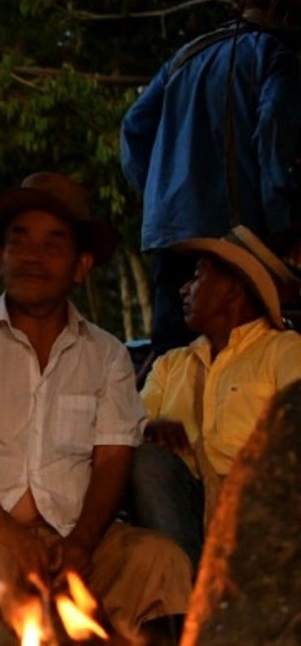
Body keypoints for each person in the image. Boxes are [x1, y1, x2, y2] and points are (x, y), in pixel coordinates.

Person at [0, 172, 191, 643]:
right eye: (20, 241)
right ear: (1, 256)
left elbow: (113, 457)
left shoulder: (106, 354)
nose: (32, 257)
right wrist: (9, 535)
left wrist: (82, 541)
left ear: (81, 266)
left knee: (162, 563)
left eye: (53, 243)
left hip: (79, 545)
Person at [121, 0, 301, 356]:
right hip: (235, 238)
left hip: (170, 232)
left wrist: (160, 197)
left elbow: (133, 127)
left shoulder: (185, 55)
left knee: (172, 354)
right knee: (241, 353)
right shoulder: (275, 55)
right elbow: (273, 134)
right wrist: (279, 222)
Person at [131, 225, 301, 571]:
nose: (183, 289)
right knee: (146, 462)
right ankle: (191, 593)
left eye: (196, 277)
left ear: (232, 289)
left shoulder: (285, 351)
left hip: (264, 514)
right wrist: (149, 428)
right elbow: (125, 425)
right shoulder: (170, 365)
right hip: (183, 519)